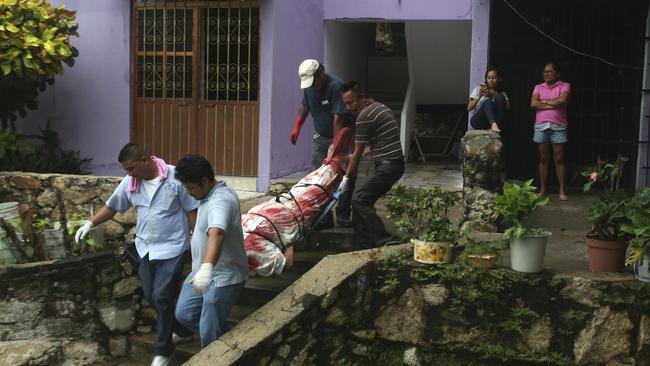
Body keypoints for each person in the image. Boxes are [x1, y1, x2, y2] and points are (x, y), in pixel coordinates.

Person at [75, 143, 198, 366]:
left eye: (131, 168)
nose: (129, 173)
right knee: (152, 295)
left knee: (161, 296)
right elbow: (113, 207)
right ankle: (182, 329)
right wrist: (90, 223)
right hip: (146, 247)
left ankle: (163, 351)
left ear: (145, 160)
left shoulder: (175, 178)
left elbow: (191, 210)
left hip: (173, 246)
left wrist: (197, 242)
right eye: (126, 170)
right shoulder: (130, 183)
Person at [173, 154, 248, 349]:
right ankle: (236, 339)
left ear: (205, 181)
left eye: (191, 188)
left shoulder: (220, 200)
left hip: (222, 277)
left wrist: (206, 269)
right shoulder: (206, 196)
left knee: (208, 335)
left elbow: (217, 233)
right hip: (201, 273)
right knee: (184, 313)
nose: (188, 193)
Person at [338, 81, 405, 248]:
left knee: (359, 199)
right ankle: (363, 242)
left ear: (361, 98)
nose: (348, 107)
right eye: (345, 104)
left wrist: (346, 179)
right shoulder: (378, 107)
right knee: (361, 199)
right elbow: (382, 133)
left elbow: (357, 153)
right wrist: (372, 147)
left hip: (388, 166)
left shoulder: (364, 116)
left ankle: (382, 239)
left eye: (351, 102)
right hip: (391, 163)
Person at [291, 59, 356, 228]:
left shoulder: (336, 86)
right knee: (317, 178)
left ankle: (342, 214)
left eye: (314, 81)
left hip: (343, 139)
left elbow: (338, 118)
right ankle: (323, 217)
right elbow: (304, 106)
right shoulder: (309, 87)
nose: (312, 86)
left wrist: (335, 148)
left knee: (345, 177)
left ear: (322, 73)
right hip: (320, 138)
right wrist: (297, 126)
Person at [530, 62, 571, 201]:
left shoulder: (564, 85)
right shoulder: (538, 87)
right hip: (541, 126)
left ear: (557, 73)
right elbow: (534, 103)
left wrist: (544, 102)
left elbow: (562, 100)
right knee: (543, 158)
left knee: (559, 158)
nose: (546, 74)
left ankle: (562, 190)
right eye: (544, 72)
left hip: (558, 126)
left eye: (550, 71)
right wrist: (553, 102)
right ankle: (542, 188)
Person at [468, 67, 510, 132]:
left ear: (499, 79)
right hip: (478, 121)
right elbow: (469, 108)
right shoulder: (479, 88)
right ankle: (493, 124)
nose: (491, 80)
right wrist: (479, 95)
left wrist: (494, 94)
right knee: (488, 101)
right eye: (488, 78)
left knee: (500, 97)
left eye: (493, 78)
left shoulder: (501, 93)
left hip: (496, 121)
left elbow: (507, 107)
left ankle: (495, 124)